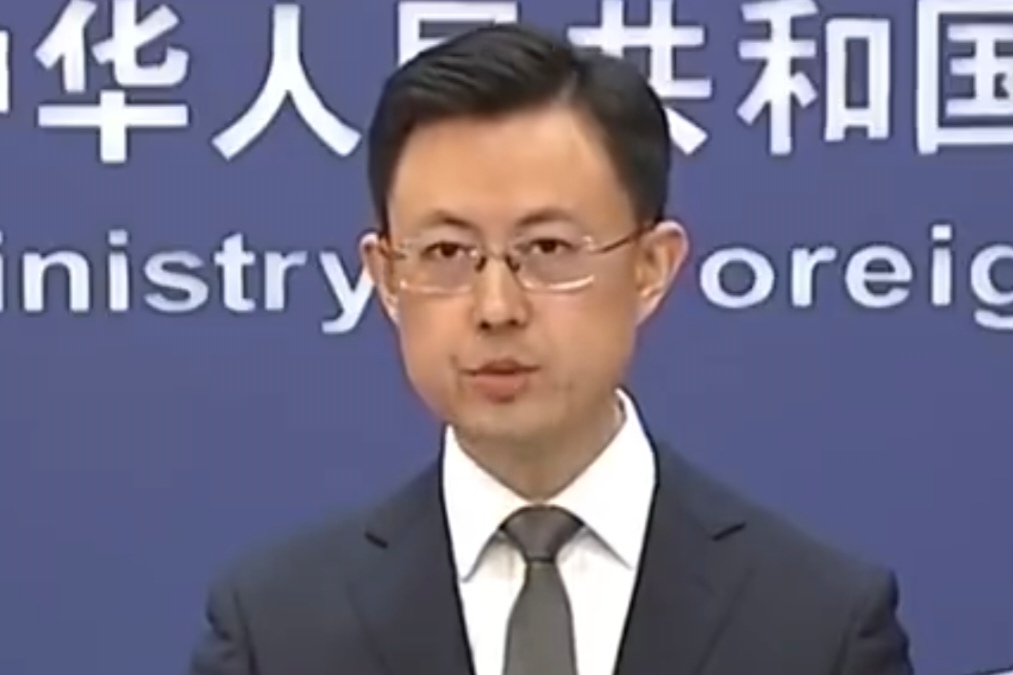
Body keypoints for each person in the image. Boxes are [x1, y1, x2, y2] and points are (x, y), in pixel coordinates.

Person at [187, 22, 915, 675]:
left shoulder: (818, 626)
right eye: (446, 252)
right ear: (385, 277)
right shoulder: (275, 632)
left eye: (547, 249)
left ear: (651, 267)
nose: (496, 308)